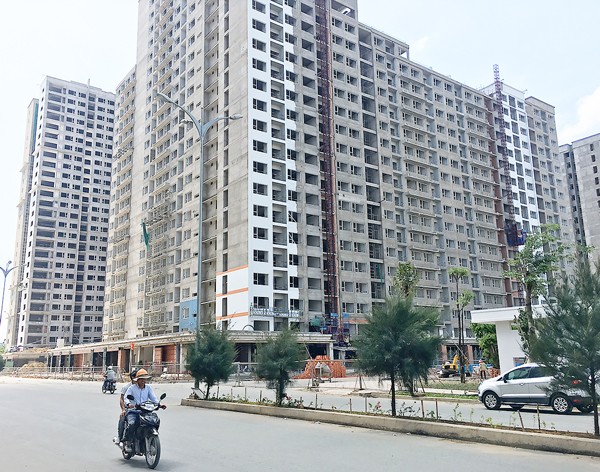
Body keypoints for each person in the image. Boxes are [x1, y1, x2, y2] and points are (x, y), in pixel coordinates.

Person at [123, 369, 166, 452]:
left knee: (155, 421)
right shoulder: (132, 388)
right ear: (137, 380)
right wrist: (129, 404)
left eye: (144, 379)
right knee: (132, 424)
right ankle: (128, 443)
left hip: (145, 411)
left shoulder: (148, 388)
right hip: (134, 411)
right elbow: (126, 397)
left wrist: (159, 405)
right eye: (141, 379)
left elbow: (153, 398)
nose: (143, 381)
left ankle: (150, 437)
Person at [114, 368, 137, 446]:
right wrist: (123, 409)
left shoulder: (144, 387)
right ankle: (120, 438)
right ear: (132, 378)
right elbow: (122, 399)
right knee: (122, 418)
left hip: (141, 408)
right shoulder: (126, 387)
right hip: (129, 409)